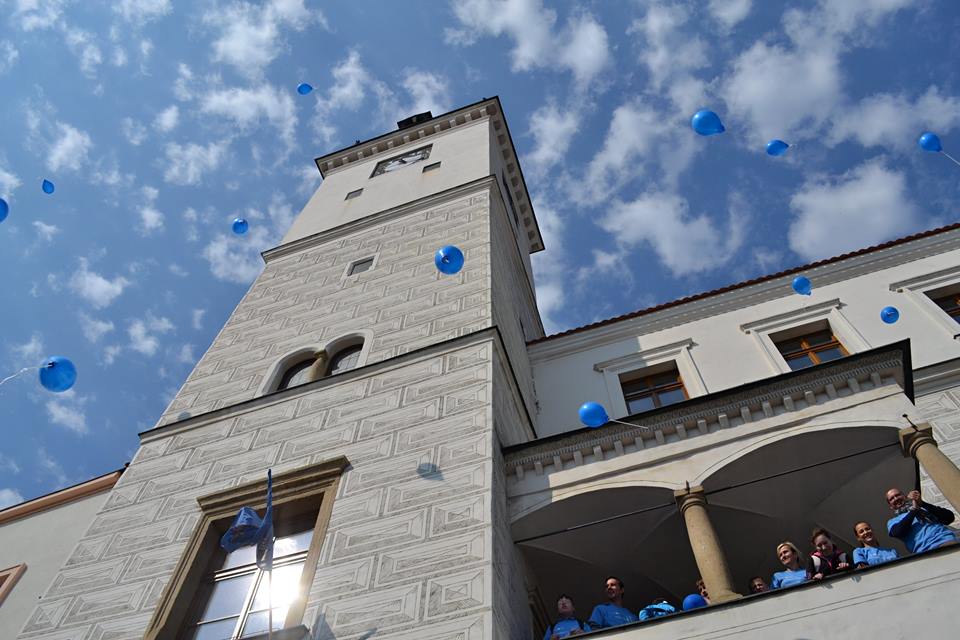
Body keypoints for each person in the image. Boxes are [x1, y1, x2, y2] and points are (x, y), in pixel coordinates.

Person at [885, 487, 959, 553]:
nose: (896, 498)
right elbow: (898, 532)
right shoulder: (893, 521)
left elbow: (949, 517)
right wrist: (914, 510)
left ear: (904, 496)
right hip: (924, 551)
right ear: (891, 506)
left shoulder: (923, 507)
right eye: (892, 498)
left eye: (898, 495)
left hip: (946, 541)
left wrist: (922, 503)